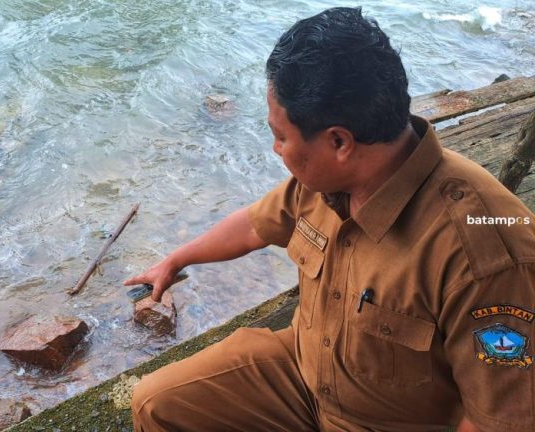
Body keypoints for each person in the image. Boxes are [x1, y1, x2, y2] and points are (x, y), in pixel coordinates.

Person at [124, 7, 535, 432]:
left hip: (385, 421)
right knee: (155, 405)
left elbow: (499, 421)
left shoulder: (487, 257)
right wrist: (175, 261)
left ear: (339, 141)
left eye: (281, 136)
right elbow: (253, 225)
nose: (276, 150)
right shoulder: (326, 181)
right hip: (304, 372)